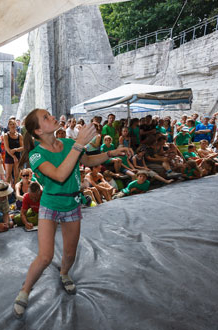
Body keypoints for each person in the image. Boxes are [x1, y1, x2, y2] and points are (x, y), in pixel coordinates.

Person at [12, 108, 130, 318]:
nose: (52, 117)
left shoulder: (67, 144)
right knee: (45, 256)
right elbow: (59, 175)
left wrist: (111, 153)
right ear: (38, 131)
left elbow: (88, 161)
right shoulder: (36, 154)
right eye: (46, 118)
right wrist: (79, 144)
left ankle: (64, 273)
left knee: (70, 254)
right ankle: (25, 290)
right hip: (50, 205)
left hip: (72, 204)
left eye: (50, 114)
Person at [3, 119, 23, 186]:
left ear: (16, 125)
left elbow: (23, 147)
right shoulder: (6, 135)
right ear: (8, 126)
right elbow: (7, 148)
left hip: (17, 156)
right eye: (10, 124)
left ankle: (15, 191)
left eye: (13, 124)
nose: (12, 125)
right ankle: (6, 192)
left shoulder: (19, 135)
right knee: (8, 176)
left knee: (16, 176)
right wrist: (13, 157)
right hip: (9, 156)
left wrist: (15, 149)